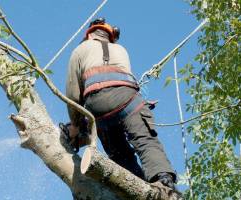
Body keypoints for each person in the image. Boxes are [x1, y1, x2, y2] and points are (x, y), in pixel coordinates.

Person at [65, 17, 177, 189]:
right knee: (145, 140)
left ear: (89, 35)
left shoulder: (80, 50)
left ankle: (135, 186)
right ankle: (163, 179)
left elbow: (73, 94)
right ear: (110, 36)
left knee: (119, 154)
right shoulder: (120, 49)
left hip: (97, 107)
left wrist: (75, 125)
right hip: (128, 100)